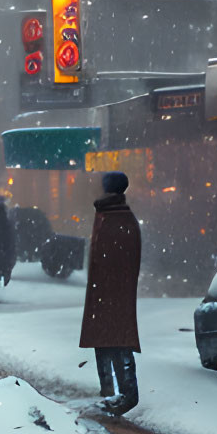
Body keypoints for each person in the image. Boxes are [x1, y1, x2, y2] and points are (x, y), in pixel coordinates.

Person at [80, 172, 142, 413]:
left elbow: (115, 259)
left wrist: (107, 286)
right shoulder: (111, 215)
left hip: (112, 293)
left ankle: (124, 394)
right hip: (108, 292)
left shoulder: (116, 218)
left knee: (116, 340)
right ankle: (110, 392)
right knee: (107, 340)